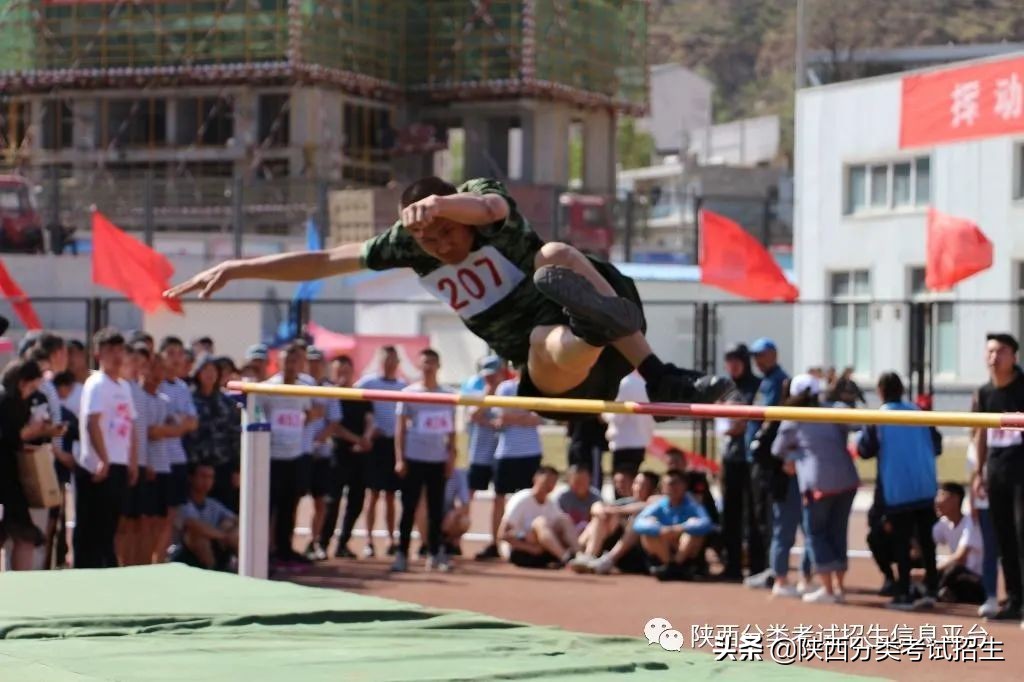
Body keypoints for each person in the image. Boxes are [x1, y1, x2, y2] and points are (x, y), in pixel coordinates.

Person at [165, 176, 733, 425]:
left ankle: (658, 374)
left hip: (581, 301)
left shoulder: (480, 203)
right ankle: (592, 328)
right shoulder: (403, 244)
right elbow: (323, 261)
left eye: (443, 235)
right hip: (549, 370)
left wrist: (441, 206)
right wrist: (238, 268)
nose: (438, 246)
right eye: (426, 242)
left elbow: (486, 212)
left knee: (555, 251)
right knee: (546, 340)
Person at [857, 371, 941, 611]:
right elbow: (937, 445)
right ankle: (932, 586)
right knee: (926, 541)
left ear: (880, 392)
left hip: (898, 488)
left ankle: (904, 591)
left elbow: (865, 450)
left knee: (900, 541)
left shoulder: (878, 418)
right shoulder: (920, 413)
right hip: (924, 486)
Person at [772, 374, 859, 605]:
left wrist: (795, 455)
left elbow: (777, 449)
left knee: (816, 533)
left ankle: (828, 590)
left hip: (817, 482)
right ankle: (838, 587)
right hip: (846, 479)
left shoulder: (794, 417)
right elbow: (856, 425)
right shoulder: (834, 409)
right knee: (838, 532)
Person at [74, 328, 138, 569]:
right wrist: (103, 458)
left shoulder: (124, 386)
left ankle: (105, 567)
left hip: (119, 463)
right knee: (91, 525)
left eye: (120, 349)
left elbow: (130, 425)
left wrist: (132, 461)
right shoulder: (96, 384)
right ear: (98, 354)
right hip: (97, 466)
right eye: (110, 350)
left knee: (110, 524)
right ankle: (85, 571)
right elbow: (93, 422)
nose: (117, 355)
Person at [972, 332, 1024, 622]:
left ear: (1014, 357)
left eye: (1001, 352)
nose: (994, 357)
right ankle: (1015, 600)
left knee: (1022, 535)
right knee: (1005, 539)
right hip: (997, 471)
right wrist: (978, 471)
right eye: (990, 352)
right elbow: (981, 432)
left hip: (1021, 472)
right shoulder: (984, 392)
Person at [392, 349, 456, 572]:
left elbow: (452, 430)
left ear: (439, 366)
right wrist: (400, 459)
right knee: (409, 508)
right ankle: (402, 553)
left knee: (436, 509)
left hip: (437, 460)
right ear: (419, 366)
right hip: (414, 458)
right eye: (425, 362)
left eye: (432, 362)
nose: (428, 366)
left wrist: (451, 456)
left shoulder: (447, 394)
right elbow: (399, 429)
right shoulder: (408, 392)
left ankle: (435, 553)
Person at [257, 341, 319, 568]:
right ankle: (265, 550)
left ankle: (285, 548)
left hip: (295, 456)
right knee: (269, 507)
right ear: (279, 362)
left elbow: (310, 412)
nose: (292, 365)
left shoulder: (303, 388)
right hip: (273, 457)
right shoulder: (268, 389)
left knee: (290, 505)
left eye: (296, 361)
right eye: (288, 360)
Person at [0, 359, 59, 570]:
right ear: (22, 382)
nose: (33, 392)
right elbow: (9, 437)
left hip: (12, 476)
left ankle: (19, 580)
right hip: (5, 476)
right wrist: (32, 431)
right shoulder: (6, 401)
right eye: (32, 386)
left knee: (21, 533)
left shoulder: (19, 402)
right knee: (21, 533)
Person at [743, 338, 790, 590]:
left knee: (768, 515)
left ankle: (771, 568)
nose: (757, 361)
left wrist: (760, 444)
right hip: (757, 456)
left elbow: (771, 420)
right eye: (755, 356)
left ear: (773, 354)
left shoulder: (779, 380)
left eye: (761, 355)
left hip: (767, 458)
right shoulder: (766, 381)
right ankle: (766, 567)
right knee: (760, 514)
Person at [319, 355, 375, 559]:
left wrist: (366, 439)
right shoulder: (332, 395)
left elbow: (370, 418)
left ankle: (343, 542)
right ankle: (323, 542)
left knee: (357, 501)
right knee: (332, 501)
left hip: (360, 456)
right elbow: (335, 427)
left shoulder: (360, 394)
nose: (342, 375)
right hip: (339, 454)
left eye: (346, 371)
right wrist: (357, 439)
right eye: (338, 371)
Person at [356, 346, 407, 557]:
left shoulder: (404, 387)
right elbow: (352, 403)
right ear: (380, 361)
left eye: (393, 360)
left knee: (390, 495)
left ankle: (390, 538)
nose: (390, 363)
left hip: (393, 445)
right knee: (373, 494)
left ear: (398, 363)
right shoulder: (368, 382)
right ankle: (368, 540)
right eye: (386, 359)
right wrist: (366, 431)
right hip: (375, 446)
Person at [719, 343, 762, 581]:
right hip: (729, 458)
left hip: (749, 459)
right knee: (730, 514)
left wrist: (742, 418)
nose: (733, 366)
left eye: (737, 360)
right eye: (729, 361)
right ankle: (732, 565)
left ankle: (756, 566)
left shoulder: (757, 386)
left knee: (753, 515)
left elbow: (751, 418)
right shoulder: (725, 387)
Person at [489, 372, 544, 554]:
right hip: (507, 452)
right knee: (499, 498)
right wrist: (524, 416)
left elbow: (538, 418)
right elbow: (502, 417)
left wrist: (515, 416)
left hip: (531, 452)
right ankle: (495, 543)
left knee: (530, 498)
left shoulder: (538, 387)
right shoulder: (505, 387)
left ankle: (528, 541)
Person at [157, 336, 200, 560]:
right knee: (155, 514)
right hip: (157, 458)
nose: (175, 359)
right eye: (170, 353)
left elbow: (192, 422)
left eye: (179, 353)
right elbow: (160, 423)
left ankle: (163, 557)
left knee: (173, 513)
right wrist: (176, 422)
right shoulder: (155, 384)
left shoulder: (182, 387)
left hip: (177, 458)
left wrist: (177, 423)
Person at [571, 470, 661, 575]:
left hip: (638, 552)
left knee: (637, 520)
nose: (638, 488)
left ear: (653, 489)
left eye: (643, 485)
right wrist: (599, 509)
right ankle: (589, 556)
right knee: (601, 516)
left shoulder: (657, 502)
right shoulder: (627, 501)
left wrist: (616, 511)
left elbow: (646, 506)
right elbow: (599, 506)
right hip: (614, 545)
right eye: (636, 483)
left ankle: (608, 560)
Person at [136, 352, 180, 564]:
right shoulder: (138, 397)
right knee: (145, 521)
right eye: (152, 368)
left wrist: (166, 430)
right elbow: (149, 432)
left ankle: (158, 561)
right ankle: (142, 563)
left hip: (165, 466)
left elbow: (177, 427)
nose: (156, 374)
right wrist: (167, 430)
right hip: (148, 466)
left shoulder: (164, 400)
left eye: (160, 369)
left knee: (163, 520)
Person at [633, 468, 714, 581]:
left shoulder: (692, 503)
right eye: (668, 484)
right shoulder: (660, 505)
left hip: (685, 549)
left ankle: (674, 566)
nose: (672, 488)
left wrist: (682, 528)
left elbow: (706, 523)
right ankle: (671, 566)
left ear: (684, 486)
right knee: (648, 534)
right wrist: (660, 529)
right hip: (666, 546)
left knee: (692, 534)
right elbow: (638, 523)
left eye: (676, 484)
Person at [185, 354, 241, 513]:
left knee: (225, 510)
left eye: (213, 371)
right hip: (196, 465)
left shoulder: (227, 402)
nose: (209, 375)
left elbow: (235, 436)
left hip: (223, 466)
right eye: (205, 370)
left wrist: (237, 468)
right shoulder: (188, 399)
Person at [301, 347, 341, 561]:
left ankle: (315, 541)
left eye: (317, 361)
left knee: (321, 500)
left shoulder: (328, 389)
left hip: (322, 454)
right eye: (310, 361)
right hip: (299, 452)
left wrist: (319, 439)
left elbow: (334, 420)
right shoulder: (298, 386)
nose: (313, 365)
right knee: (294, 499)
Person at [464, 356, 504, 560]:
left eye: (493, 375)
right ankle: (453, 537)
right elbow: (472, 415)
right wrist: (488, 392)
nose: (490, 379)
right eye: (487, 376)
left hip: (500, 455)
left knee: (499, 498)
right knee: (467, 496)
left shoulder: (507, 393)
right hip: (479, 454)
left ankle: (494, 542)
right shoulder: (477, 392)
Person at [499, 466, 577, 568]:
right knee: (540, 522)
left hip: (541, 549)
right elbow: (502, 535)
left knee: (564, 520)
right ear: (536, 479)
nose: (549, 485)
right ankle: (566, 559)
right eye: (546, 481)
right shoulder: (521, 499)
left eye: (553, 482)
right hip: (519, 550)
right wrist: (529, 547)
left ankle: (580, 556)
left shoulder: (551, 504)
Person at [171, 462, 238, 571]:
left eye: (210, 477)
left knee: (229, 524)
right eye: (203, 476)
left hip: (216, 545)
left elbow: (236, 519)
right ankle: (212, 572)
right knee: (197, 536)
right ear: (191, 478)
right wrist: (224, 536)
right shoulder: (183, 504)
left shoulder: (213, 504)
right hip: (183, 551)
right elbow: (193, 525)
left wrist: (229, 529)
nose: (206, 481)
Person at [966, 423, 1001, 618]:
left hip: (1010, 493)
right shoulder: (978, 441)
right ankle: (991, 596)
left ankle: (1016, 597)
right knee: (990, 549)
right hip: (986, 499)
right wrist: (973, 500)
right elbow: (973, 472)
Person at [932, 482, 986, 605]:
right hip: (955, 580)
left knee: (955, 569)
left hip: (976, 582)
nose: (937, 502)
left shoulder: (970, 523)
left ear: (955, 499)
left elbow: (960, 558)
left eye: (942, 495)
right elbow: (924, 549)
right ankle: (937, 592)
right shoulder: (943, 524)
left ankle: (933, 593)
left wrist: (929, 572)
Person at [603, 371, 655, 477]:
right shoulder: (645, 382)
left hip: (623, 442)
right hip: (641, 441)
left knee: (622, 485)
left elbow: (617, 417)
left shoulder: (624, 383)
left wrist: (603, 414)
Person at [553, 463, 603, 539]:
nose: (581, 485)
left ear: (590, 479)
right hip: (566, 535)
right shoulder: (562, 497)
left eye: (584, 481)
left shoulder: (595, 496)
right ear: (568, 481)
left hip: (588, 535)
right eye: (577, 482)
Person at [441, 468, 472, 555]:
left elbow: (465, 504)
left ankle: (451, 544)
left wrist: (453, 514)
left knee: (464, 521)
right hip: (429, 515)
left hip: (446, 515)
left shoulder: (458, 475)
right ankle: (426, 544)